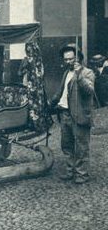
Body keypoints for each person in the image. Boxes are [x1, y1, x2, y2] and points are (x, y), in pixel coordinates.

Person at [51, 44, 95, 184]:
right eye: (66, 59)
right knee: (67, 145)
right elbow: (61, 92)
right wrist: (51, 103)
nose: (68, 62)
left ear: (78, 58)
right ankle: (70, 171)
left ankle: (82, 174)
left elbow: (89, 91)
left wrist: (79, 76)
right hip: (65, 114)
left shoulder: (87, 73)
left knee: (81, 147)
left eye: (71, 59)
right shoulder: (66, 73)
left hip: (80, 115)